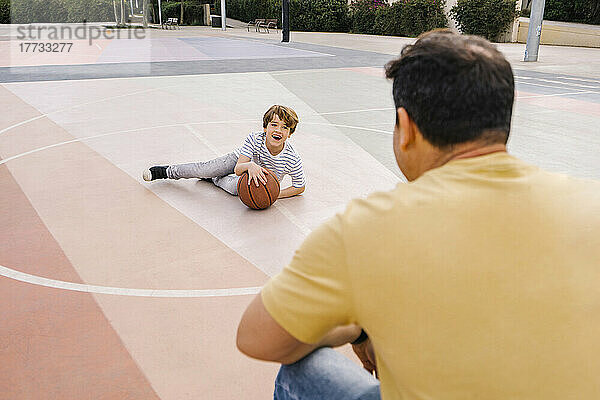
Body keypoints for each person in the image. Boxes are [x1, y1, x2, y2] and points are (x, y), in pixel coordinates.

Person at [236, 30, 600, 400]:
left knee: (297, 370)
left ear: (405, 128)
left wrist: (359, 330)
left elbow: (256, 337)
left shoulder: (367, 227)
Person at [142, 105, 306, 199]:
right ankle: (166, 171)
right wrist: (250, 166)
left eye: (285, 127)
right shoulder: (255, 139)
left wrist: (274, 194)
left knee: (237, 190)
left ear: (290, 133)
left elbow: (300, 186)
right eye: (274, 125)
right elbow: (238, 168)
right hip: (240, 161)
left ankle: (215, 179)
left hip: (257, 180)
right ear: (265, 127)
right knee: (204, 169)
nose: (279, 130)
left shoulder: (292, 158)